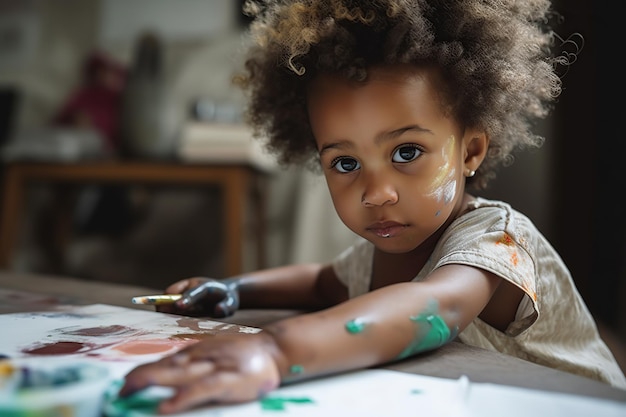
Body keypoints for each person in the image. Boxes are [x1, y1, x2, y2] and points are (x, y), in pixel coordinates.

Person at [119, 0, 626, 413]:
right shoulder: (385, 246)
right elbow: (323, 282)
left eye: (406, 153)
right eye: (344, 163)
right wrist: (233, 289)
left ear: (471, 150)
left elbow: (436, 306)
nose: (375, 191)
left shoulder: (494, 240)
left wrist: (274, 349)